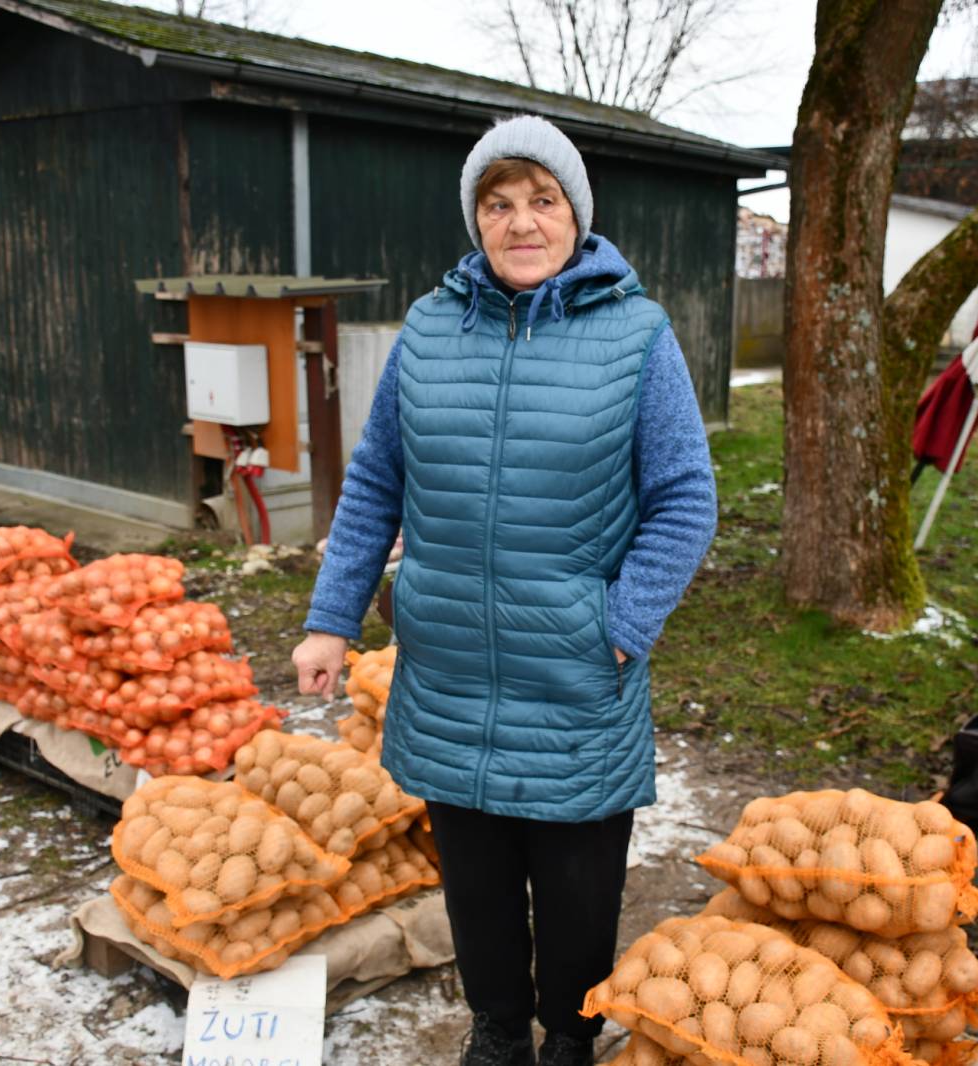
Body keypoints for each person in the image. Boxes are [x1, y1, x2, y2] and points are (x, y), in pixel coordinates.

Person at [291, 114, 717, 1066]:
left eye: (542, 200)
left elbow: (686, 498)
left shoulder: (636, 336)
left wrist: (621, 624)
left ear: (575, 213)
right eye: (500, 203)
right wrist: (330, 618)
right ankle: (494, 1033)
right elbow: (373, 484)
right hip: (445, 673)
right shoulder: (431, 329)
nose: (522, 223)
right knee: (475, 885)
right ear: (476, 219)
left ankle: (567, 1035)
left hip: (573, 672)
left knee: (576, 890)